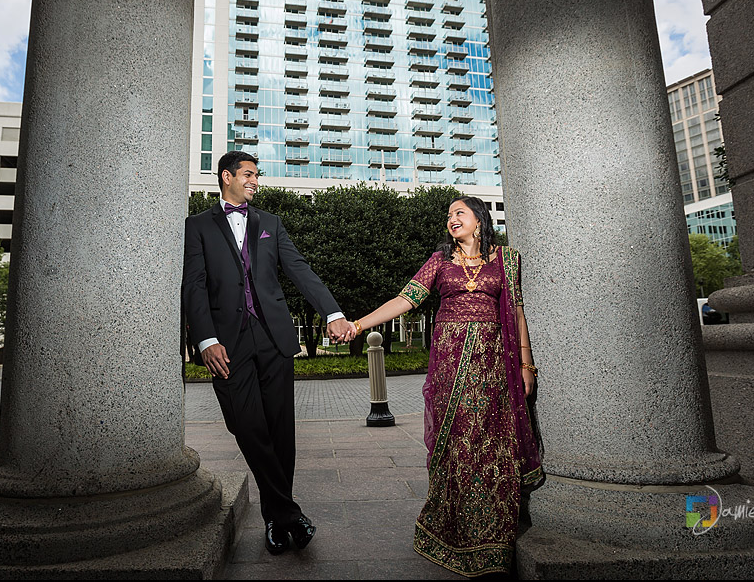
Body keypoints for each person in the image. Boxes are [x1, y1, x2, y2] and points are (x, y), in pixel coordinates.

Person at [347, 196, 544, 577]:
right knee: (456, 445)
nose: (452, 219)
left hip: (493, 368)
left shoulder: (506, 260)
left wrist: (526, 363)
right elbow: (404, 300)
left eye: (459, 213)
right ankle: (452, 531)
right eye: (449, 215)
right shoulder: (439, 262)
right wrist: (358, 325)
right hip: (450, 369)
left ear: (479, 219)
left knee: (494, 445)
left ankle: (494, 543)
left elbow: (517, 312)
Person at [182, 151, 354, 555]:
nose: (255, 181)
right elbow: (194, 286)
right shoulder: (197, 226)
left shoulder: (270, 224)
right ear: (226, 177)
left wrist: (332, 312)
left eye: (257, 175)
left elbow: (299, 270)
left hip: (274, 337)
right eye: (248, 174)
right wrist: (205, 339)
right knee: (247, 426)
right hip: (226, 343)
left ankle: (277, 520)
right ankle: (290, 513)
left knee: (280, 432)